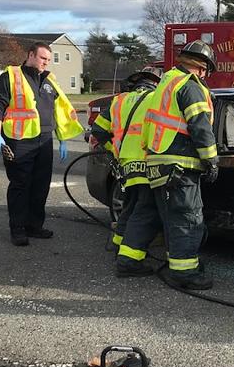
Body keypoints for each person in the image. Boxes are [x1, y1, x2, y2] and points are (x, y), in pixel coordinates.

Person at [122, 41, 218, 289]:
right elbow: (200, 126)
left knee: (147, 212)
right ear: (203, 67)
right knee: (186, 218)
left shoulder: (166, 82)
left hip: (155, 160)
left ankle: (128, 260)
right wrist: (211, 159)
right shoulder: (189, 86)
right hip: (180, 164)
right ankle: (183, 272)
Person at [0, 42, 84, 246]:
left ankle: (34, 226)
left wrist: (62, 139)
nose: (46, 63)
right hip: (18, 140)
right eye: (43, 59)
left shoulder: (49, 80)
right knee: (21, 185)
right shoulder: (11, 77)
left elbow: (57, 111)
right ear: (31, 55)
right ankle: (18, 229)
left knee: (40, 185)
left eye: (49, 60)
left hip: (44, 140)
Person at [89, 67, 161, 255]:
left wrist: (114, 149)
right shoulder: (157, 99)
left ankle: (117, 242)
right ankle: (129, 258)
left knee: (130, 204)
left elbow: (98, 131)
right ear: (156, 83)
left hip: (126, 162)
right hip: (148, 160)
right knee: (144, 210)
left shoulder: (118, 101)